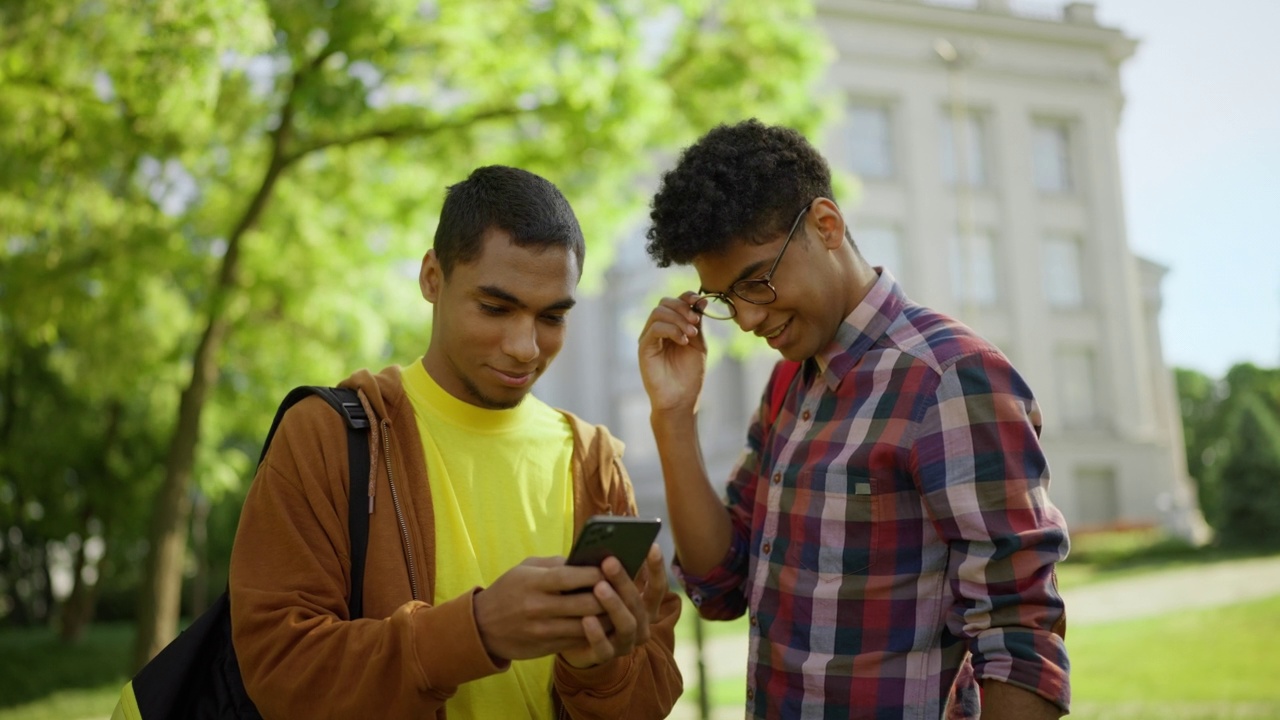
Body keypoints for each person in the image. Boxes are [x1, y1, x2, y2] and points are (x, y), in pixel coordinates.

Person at [636, 119, 1069, 719]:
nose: (749, 322)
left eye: (756, 282)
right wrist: (673, 418)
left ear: (826, 226)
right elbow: (720, 584)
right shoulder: (789, 381)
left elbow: (1020, 639)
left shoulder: (949, 378)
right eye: (727, 302)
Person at [230, 165, 682, 719]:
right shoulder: (327, 436)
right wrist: (479, 629)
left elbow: (650, 695)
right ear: (431, 278)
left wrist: (598, 667)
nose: (523, 347)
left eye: (552, 317)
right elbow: (280, 670)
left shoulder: (594, 462)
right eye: (495, 308)